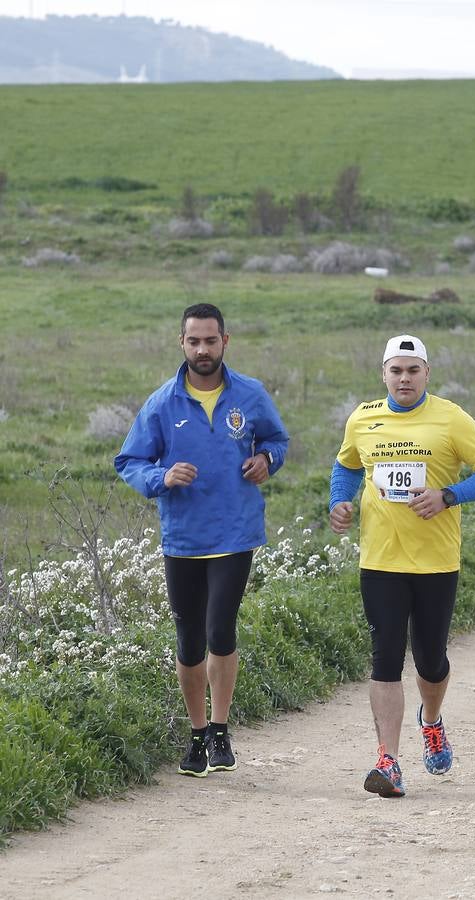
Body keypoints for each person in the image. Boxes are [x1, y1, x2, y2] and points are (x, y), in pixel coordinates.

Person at [330, 334, 475, 797]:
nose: (404, 378)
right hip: (380, 559)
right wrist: (340, 501)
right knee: (385, 657)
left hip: (435, 561)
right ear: (383, 374)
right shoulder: (364, 417)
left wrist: (448, 495)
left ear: (427, 374)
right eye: (396, 370)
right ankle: (388, 760)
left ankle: (431, 720)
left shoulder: (451, 418)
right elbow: (347, 466)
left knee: (431, 661)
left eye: (413, 370)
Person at [115, 303, 290, 778]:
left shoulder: (249, 395)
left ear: (225, 342)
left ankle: (220, 729)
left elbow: (277, 441)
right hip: (183, 539)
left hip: (235, 535)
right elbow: (128, 461)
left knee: (220, 630)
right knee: (189, 641)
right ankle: (195, 738)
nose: (203, 349)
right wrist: (162, 476)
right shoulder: (161, 404)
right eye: (194, 341)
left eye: (211, 341)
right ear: (182, 344)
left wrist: (267, 462)